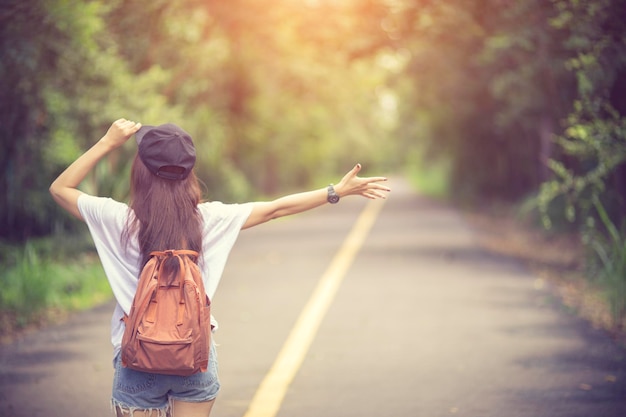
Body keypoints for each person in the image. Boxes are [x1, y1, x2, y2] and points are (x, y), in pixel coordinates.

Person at [49, 118, 390, 417]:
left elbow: (61, 188)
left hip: (137, 359)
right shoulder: (209, 219)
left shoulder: (118, 220)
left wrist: (108, 142)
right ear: (188, 174)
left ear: (141, 171)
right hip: (194, 355)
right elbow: (275, 208)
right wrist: (336, 191)